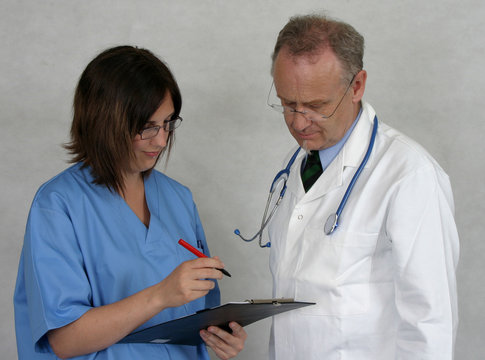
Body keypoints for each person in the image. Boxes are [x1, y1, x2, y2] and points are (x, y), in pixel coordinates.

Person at [13, 45, 246, 360]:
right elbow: (64, 340)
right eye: (148, 127)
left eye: (168, 124)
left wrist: (218, 336)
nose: (162, 141)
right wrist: (160, 296)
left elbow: (198, 315)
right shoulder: (58, 205)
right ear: (104, 122)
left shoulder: (178, 199)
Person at [264, 14, 459, 359]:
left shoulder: (409, 174)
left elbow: (430, 322)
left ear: (356, 86)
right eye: (287, 104)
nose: (298, 122)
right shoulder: (295, 163)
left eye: (316, 106)